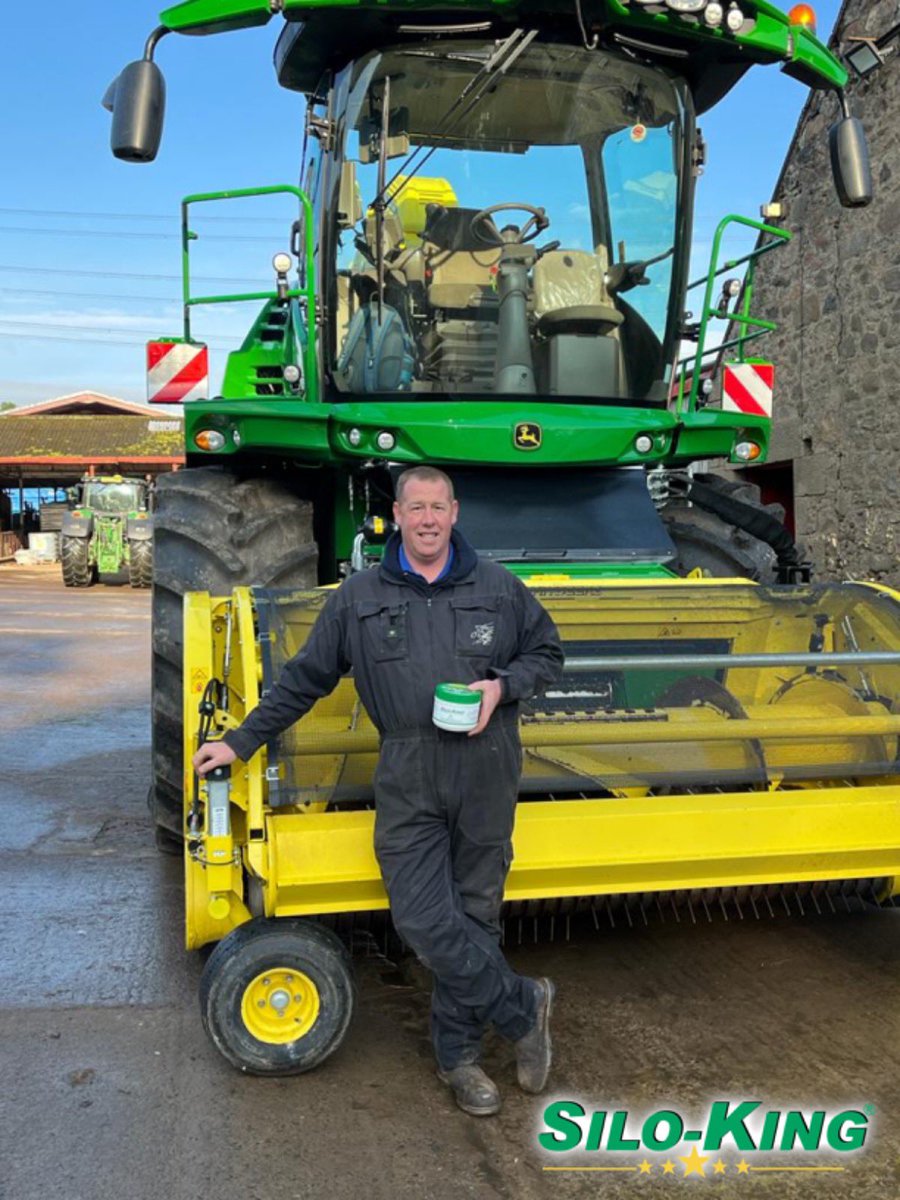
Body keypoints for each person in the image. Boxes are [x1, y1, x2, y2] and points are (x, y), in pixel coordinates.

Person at [193, 465, 564, 1116]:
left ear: (455, 513)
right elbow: (303, 680)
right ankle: (521, 1005)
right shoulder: (359, 597)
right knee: (423, 917)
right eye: (415, 507)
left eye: (438, 507)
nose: (427, 518)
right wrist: (240, 740)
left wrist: (501, 687)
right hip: (407, 765)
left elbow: (548, 654)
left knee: (474, 915)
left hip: (487, 765)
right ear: (397, 514)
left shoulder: (500, 588)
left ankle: (460, 1061)